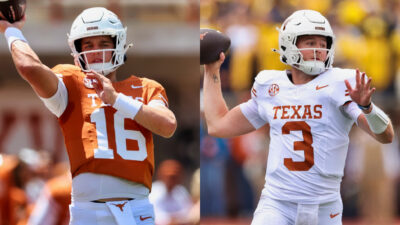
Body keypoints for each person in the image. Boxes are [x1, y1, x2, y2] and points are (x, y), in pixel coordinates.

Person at [203, 9, 394, 225]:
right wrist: (212, 70)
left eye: (323, 44)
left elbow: (385, 135)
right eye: (310, 42)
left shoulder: (340, 83)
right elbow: (219, 125)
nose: (318, 50)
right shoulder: (270, 87)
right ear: (288, 43)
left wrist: (367, 107)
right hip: (277, 204)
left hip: (324, 207)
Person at [0, 7, 177, 225]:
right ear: (76, 50)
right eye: (88, 45)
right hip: (88, 211)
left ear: (118, 45)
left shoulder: (146, 87)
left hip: (137, 210)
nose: (96, 52)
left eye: (103, 44)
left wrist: (116, 99)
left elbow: (168, 125)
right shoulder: (71, 83)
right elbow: (28, 67)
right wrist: (11, 30)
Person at [149, 159, 193, 225]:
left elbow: (189, 214)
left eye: (175, 176)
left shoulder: (181, 191)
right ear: (160, 175)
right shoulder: (153, 192)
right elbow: (155, 219)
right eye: (169, 176)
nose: (171, 180)